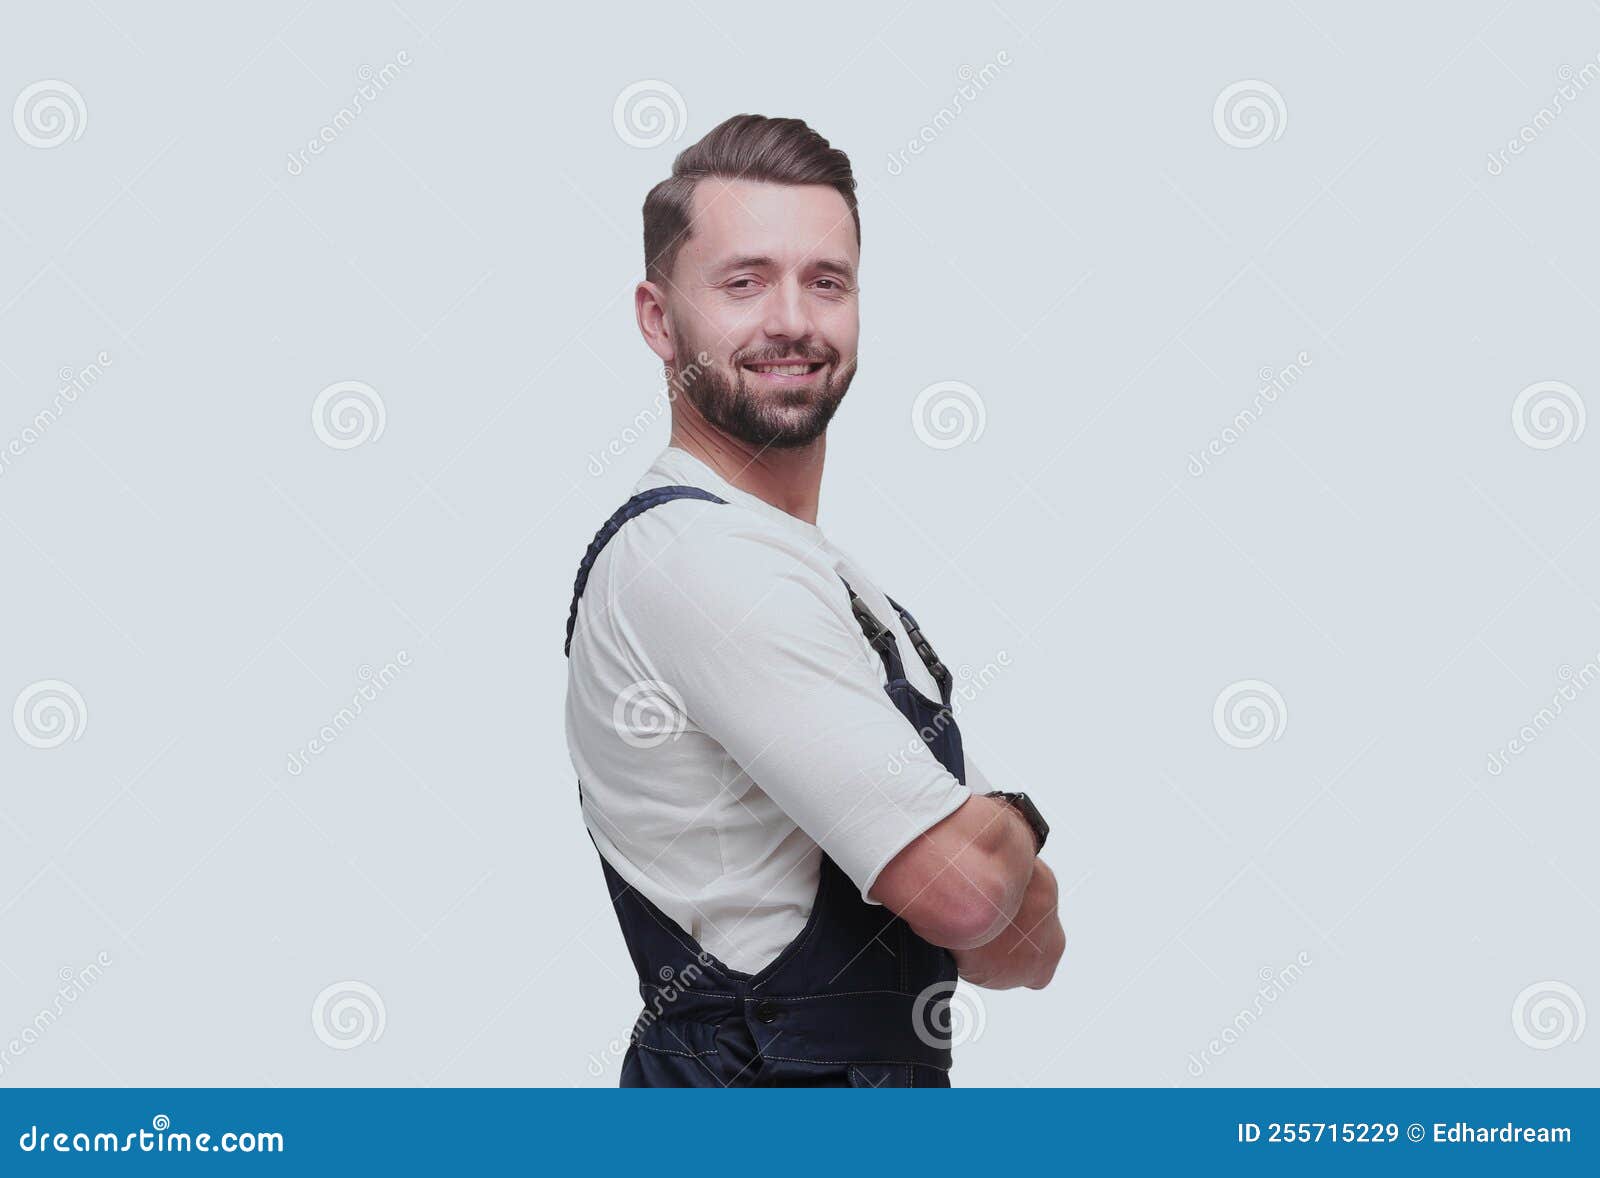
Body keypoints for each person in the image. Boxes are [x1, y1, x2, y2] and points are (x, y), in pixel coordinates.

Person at [564, 114, 1062, 1087]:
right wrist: (1007, 826)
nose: (791, 319)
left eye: (824, 281)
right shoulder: (698, 560)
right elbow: (969, 903)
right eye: (744, 281)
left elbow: (1024, 955)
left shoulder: (831, 581)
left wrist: (980, 852)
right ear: (659, 317)